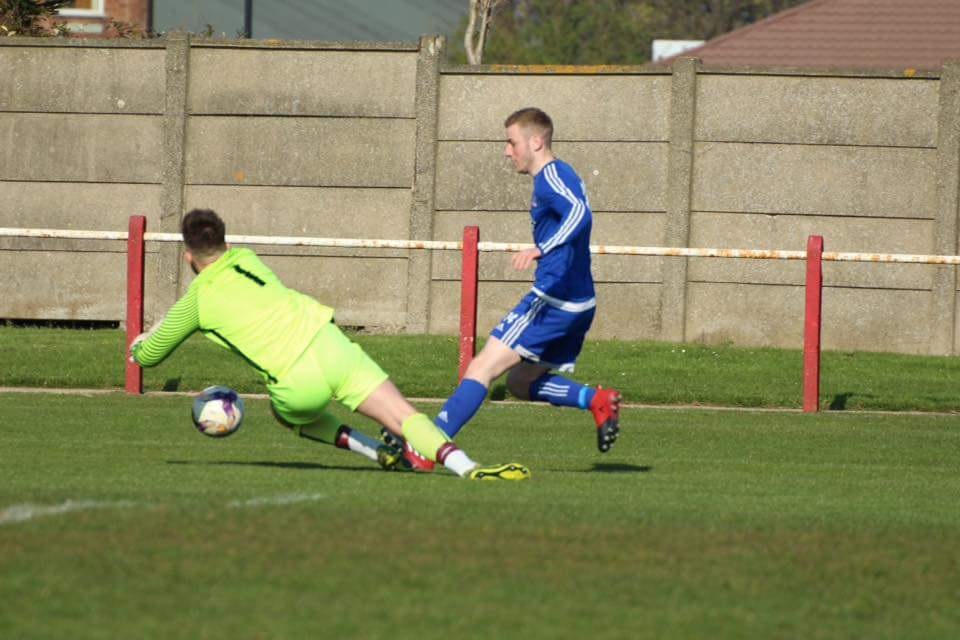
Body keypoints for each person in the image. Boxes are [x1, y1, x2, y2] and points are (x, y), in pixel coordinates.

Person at [130, 208, 530, 481]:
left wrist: (140, 342)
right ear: (226, 243)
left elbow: (150, 354)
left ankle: (375, 451)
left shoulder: (196, 300)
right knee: (404, 416)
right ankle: (469, 467)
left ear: (187, 257)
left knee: (287, 416)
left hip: (295, 380)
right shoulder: (247, 258)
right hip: (330, 344)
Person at [396, 107, 622, 472]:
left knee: (481, 368)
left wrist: (541, 248)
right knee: (521, 382)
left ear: (536, 141)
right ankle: (596, 400)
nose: (507, 151)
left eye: (511, 141)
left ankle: (427, 447)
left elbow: (581, 214)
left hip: (553, 300)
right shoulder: (556, 175)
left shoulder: (551, 177)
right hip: (578, 302)